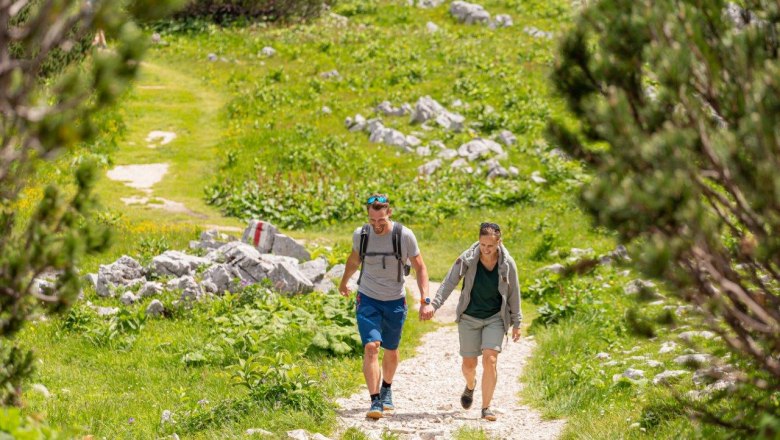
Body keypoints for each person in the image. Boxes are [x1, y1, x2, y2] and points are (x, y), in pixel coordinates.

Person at [339, 193, 430, 419]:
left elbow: (420, 268)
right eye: (372, 221)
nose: (376, 225)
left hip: (395, 300)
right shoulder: (361, 235)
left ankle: (387, 387)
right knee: (371, 347)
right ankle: (375, 400)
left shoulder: (404, 235)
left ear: (389, 213)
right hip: (367, 298)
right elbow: (353, 261)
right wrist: (344, 282)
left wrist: (424, 300)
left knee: (391, 348)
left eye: (381, 220)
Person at [420, 222, 521, 421]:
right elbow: (450, 281)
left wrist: (517, 322)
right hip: (469, 317)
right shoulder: (467, 258)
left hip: (495, 318)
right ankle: (470, 385)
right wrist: (434, 305)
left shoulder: (507, 263)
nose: (486, 249)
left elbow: (514, 293)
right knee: (469, 365)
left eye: (490, 246)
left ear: (499, 243)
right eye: (483, 245)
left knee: (490, 359)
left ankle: (486, 408)